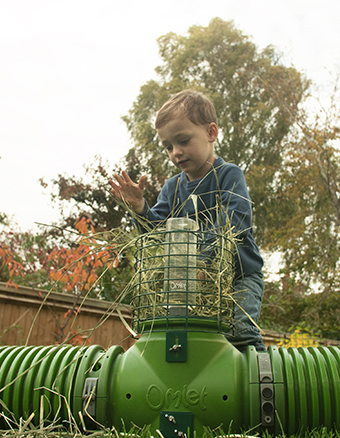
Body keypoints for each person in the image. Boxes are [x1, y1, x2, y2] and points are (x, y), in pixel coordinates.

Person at [109, 89, 266, 352]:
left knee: (240, 333)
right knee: (193, 342)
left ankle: (263, 382)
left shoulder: (229, 176)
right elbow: (157, 233)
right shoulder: (172, 188)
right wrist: (139, 207)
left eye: (183, 141)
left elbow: (234, 221)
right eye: (168, 146)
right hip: (192, 284)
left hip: (239, 277)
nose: (175, 153)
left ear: (211, 133)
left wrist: (205, 261)